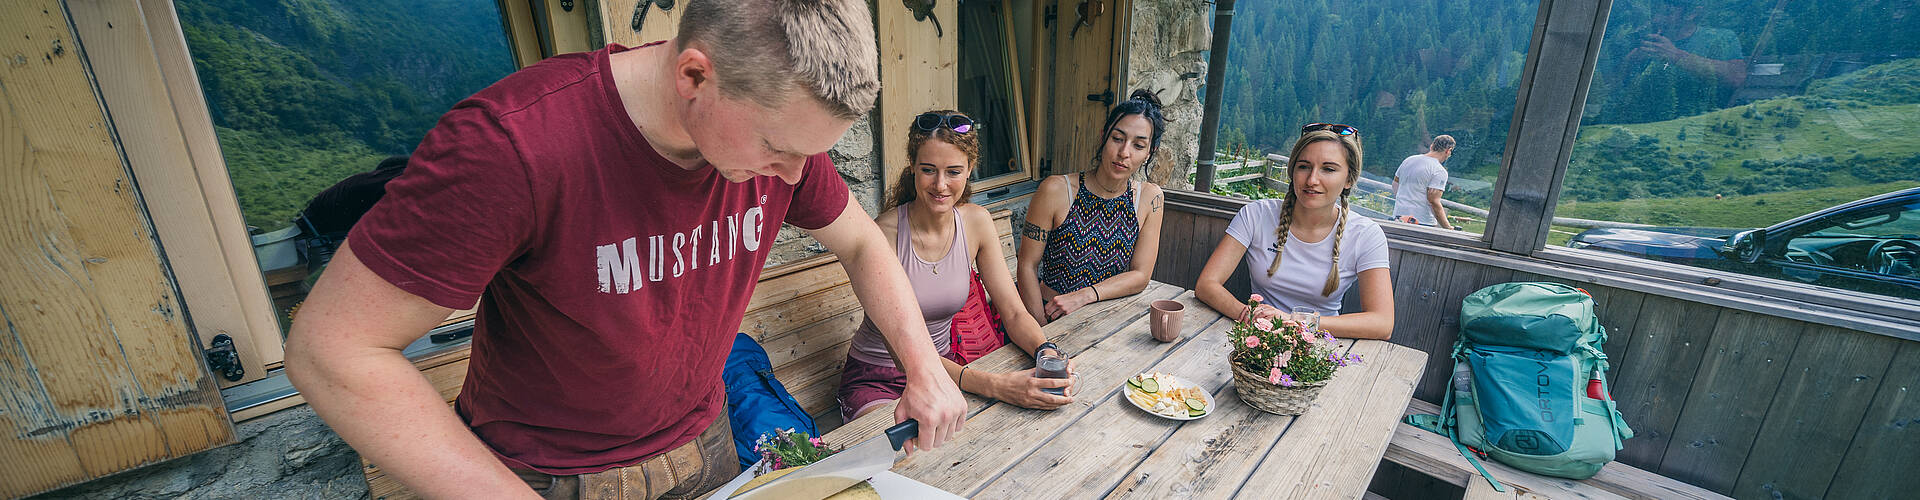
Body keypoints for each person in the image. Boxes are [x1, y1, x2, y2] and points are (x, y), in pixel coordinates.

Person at [282, 2, 967, 499]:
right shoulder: (512, 147)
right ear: (693, 76)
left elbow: (860, 244)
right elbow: (332, 350)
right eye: (777, 150)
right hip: (546, 477)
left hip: (707, 444)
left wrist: (924, 368)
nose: (794, 178)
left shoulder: (781, 137)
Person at [837, 110, 1077, 421]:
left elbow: (1014, 312)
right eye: (928, 170)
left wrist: (1046, 352)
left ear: (970, 169)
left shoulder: (976, 222)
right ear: (912, 166)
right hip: (879, 376)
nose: (940, 184)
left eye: (953, 171)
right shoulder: (883, 235)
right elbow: (902, 354)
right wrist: (997, 385)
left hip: (946, 371)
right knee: (910, 454)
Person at [1194, 124, 1395, 339]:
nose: (1312, 180)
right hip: (1258, 336)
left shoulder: (1366, 234)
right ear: (1292, 171)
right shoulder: (1256, 215)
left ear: (1349, 179)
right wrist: (1252, 316)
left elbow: (1382, 323)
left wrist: (1292, 321)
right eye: (1304, 166)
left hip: (1319, 343)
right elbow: (1207, 285)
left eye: (1328, 169)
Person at [1017, 89, 1168, 325]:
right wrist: (1041, 330)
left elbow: (1140, 275)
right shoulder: (1056, 190)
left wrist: (1086, 295)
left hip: (1108, 319)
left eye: (1138, 146)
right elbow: (1027, 265)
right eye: (1117, 139)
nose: (1124, 153)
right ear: (1103, 136)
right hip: (1051, 315)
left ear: (1150, 153)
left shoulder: (1150, 198)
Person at [1391, 134, 1455, 230]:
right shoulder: (1439, 171)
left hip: (1398, 217)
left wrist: (1404, 202)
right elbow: (1433, 201)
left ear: (1432, 146)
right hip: (1422, 222)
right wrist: (1448, 227)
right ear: (1448, 151)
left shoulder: (1409, 160)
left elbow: (1395, 184)